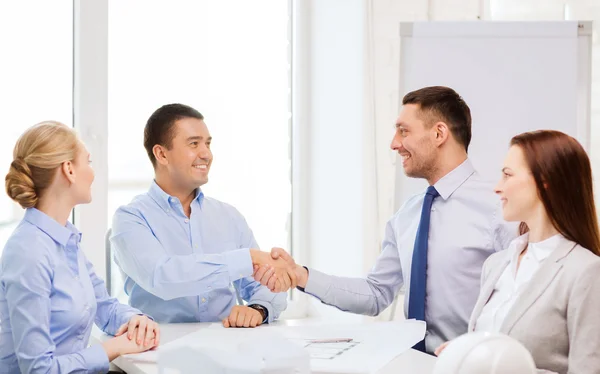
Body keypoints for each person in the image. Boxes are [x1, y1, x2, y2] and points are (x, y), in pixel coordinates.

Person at [255, 86, 517, 353]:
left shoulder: (500, 206)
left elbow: (523, 305)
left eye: (404, 131)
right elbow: (376, 294)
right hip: (414, 365)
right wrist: (301, 276)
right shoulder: (407, 215)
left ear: (439, 134)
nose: (394, 143)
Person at [111, 104, 294, 328]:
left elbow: (267, 285)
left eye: (207, 143)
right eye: (194, 143)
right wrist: (248, 258)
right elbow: (163, 278)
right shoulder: (130, 219)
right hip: (158, 351)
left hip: (227, 347)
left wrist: (258, 308)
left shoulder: (229, 216)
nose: (206, 154)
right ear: (161, 154)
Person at [0, 122, 159, 374]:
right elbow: (38, 369)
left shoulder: (66, 240)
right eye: (88, 161)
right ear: (69, 170)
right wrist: (114, 348)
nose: (93, 172)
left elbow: (104, 306)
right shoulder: (28, 251)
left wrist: (135, 319)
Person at [435, 130, 600, 373]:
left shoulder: (586, 271)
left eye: (507, 175)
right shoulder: (496, 264)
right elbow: (498, 345)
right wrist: (470, 354)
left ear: (545, 182)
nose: (497, 188)